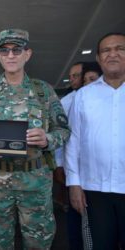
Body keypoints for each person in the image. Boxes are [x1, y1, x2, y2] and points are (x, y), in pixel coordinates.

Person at [0, 29, 70, 249]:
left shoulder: (43, 91)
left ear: (28, 54)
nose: (11, 55)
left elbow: (63, 130)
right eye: (4, 50)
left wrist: (47, 139)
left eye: (17, 50)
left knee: (38, 243)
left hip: (35, 182)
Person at [65, 32, 125, 250]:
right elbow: (73, 142)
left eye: (120, 48)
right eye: (106, 50)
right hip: (94, 189)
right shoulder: (84, 96)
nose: (113, 54)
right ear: (99, 59)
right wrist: (74, 184)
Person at [54, 62, 85, 250]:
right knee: (76, 212)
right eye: (71, 76)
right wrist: (59, 164)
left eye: (76, 75)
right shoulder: (66, 101)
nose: (72, 79)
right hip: (74, 165)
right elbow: (63, 136)